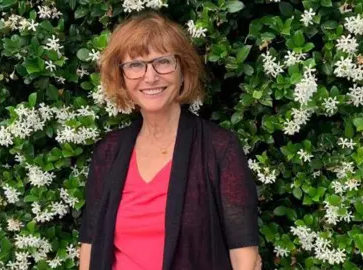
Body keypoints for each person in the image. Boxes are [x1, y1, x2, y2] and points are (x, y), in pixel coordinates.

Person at [78, 10, 261, 270]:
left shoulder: (219, 148)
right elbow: (90, 246)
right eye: (135, 65)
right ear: (122, 77)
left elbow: (246, 259)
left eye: (162, 62)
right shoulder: (109, 151)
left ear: (183, 69)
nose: (150, 77)